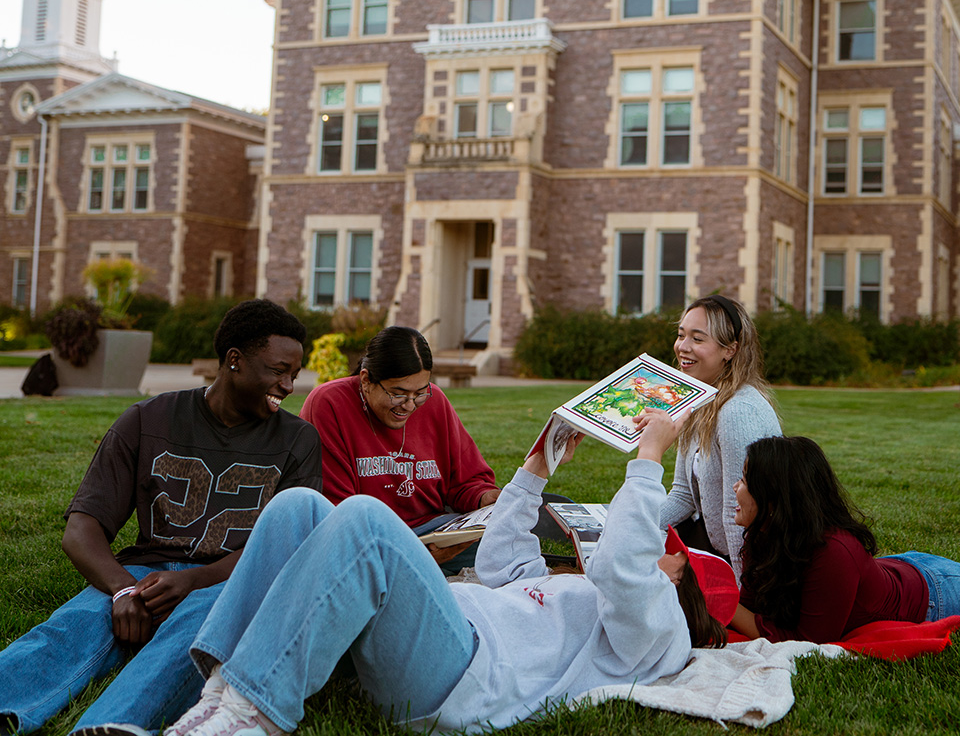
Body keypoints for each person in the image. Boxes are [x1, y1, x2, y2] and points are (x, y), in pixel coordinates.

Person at [79, 406, 737, 736]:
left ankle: (255, 715)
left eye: (662, 543)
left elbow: (625, 562)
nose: (647, 542)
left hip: (467, 681)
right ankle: (218, 698)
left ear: (676, 571)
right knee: (298, 507)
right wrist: (538, 466)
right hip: (448, 633)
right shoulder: (583, 593)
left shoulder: (658, 633)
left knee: (364, 521)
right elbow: (503, 560)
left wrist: (648, 456)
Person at [0, 299, 323, 736]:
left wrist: (193, 580)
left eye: (294, 374)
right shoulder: (148, 418)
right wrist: (121, 590)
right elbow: (82, 529)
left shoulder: (298, 439)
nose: (287, 385)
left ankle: (111, 726)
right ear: (234, 361)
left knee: (193, 638)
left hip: (230, 582)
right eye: (277, 370)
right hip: (144, 573)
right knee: (70, 627)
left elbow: (283, 546)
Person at [299, 325, 502, 570]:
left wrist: (483, 498)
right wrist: (413, 554)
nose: (409, 406)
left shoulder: (434, 401)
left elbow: (466, 481)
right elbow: (339, 515)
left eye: (419, 393)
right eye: (398, 394)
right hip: (369, 540)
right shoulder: (329, 403)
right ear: (366, 380)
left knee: (502, 543)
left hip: (435, 533)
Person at [730, 436, 960, 644]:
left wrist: (720, 604)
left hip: (938, 593)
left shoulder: (834, 550)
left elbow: (808, 642)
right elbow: (750, 610)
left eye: (744, 480)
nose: (735, 487)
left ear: (774, 498)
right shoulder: (762, 533)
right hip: (900, 568)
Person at [659, 295, 781, 580]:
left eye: (698, 339)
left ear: (730, 350)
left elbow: (738, 514)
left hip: (753, 559)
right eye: (680, 335)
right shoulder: (698, 399)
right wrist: (628, 530)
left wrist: (740, 595)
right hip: (713, 543)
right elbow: (682, 494)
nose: (682, 347)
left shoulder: (736, 411)